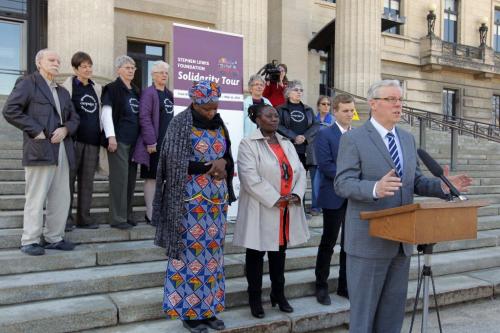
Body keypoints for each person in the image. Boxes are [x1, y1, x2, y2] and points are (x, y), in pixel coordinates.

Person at [334, 80, 472, 333]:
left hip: (401, 243)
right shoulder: (354, 139)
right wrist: (375, 188)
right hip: (368, 242)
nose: (398, 104)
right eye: (391, 99)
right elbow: (342, 183)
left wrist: (442, 187)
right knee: (363, 318)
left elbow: (415, 181)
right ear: (373, 104)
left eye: (400, 99)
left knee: (392, 315)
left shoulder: (407, 139)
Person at [152, 81, 236, 333]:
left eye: (214, 108)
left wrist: (223, 162)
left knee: (212, 258)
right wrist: (210, 167)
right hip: (188, 203)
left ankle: (208, 310)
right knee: (189, 257)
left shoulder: (219, 124)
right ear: (195, 104)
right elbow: (174, 163)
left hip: (216, 204)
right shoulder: (180, 124)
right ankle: (188, 313)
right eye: (207, 108)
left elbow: (229, 157)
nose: (212, 112)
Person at [234, 104, 310, 319]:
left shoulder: (286, 142)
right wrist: (276, 198)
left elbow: (300, 171)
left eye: (276, 115)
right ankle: (255, 298)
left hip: (286, 209)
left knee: (279, 255)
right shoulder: (248, 143)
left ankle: (279, 294)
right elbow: (249, 177)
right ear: (257, 119)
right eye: (268, 115)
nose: (274, 118)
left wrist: (296, 194)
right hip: (262, 207)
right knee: (256, 255)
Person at [2, 49, 80, 255]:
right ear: (39, 63)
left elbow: (75, 118)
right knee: (36, 197)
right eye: (51, 60)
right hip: (40, 149)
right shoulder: (29, 83)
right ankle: (30, 240)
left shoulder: (63, 91)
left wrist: (65, 129)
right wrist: (35, 130)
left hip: (62, 149)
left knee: (61, 197)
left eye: (58, 60)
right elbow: (10, 110)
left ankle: (55, 237)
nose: (56, 63)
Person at [313, 94, 355, 305]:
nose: (349, 114)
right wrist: (349, 180)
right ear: (335, 112)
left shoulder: (358, 135)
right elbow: (325, 165)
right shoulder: (325, 134)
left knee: (350, 244)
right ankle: (321, 285)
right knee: (328, 243)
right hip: (334, 195)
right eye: (345, 111)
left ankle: (344, 285)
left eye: (351, 111)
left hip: (355, 198)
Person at [62, 51, 102, 231]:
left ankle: (84, 218)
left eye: (89, 66)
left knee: (87, 183)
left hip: (92, 141)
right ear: (75, 69)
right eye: (83, 66)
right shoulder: (67, 87)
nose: (88, 69)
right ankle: (65, 219)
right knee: (68, 181)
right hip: (74, 141)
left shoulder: (97, 88)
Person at [101, 55, 141, 230]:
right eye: (127, 67)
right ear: (118, 70)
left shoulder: (135, 90)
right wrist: (111, 136)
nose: (131, 70)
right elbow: (106, 113)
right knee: (119, 180)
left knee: (131, 180)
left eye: (133, 68)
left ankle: (127, 214)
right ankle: (117, 218)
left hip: (134, 142)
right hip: (119, 141)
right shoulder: (111, 88)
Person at [132, 61, 173, 223]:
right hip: (155, 145)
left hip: (169, 145)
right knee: (152, 179)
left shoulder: (170, 94)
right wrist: (150, 141)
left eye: (166, 73)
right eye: (161, 72)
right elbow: (144, 117)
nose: (164, 75)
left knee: (164, 178)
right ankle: (150, 213)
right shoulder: (149, 93)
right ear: (153, 75)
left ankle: (161, 211)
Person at [309, 95, 335, 216]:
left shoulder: (334, 121)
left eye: (328, 104)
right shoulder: (312, 120)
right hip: (314, 155)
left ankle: (327, 205)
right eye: (323, 104)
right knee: (315, 182)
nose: (326, 106)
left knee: (328, 182)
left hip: (330, 156)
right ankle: (315, 206)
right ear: (318, 106)